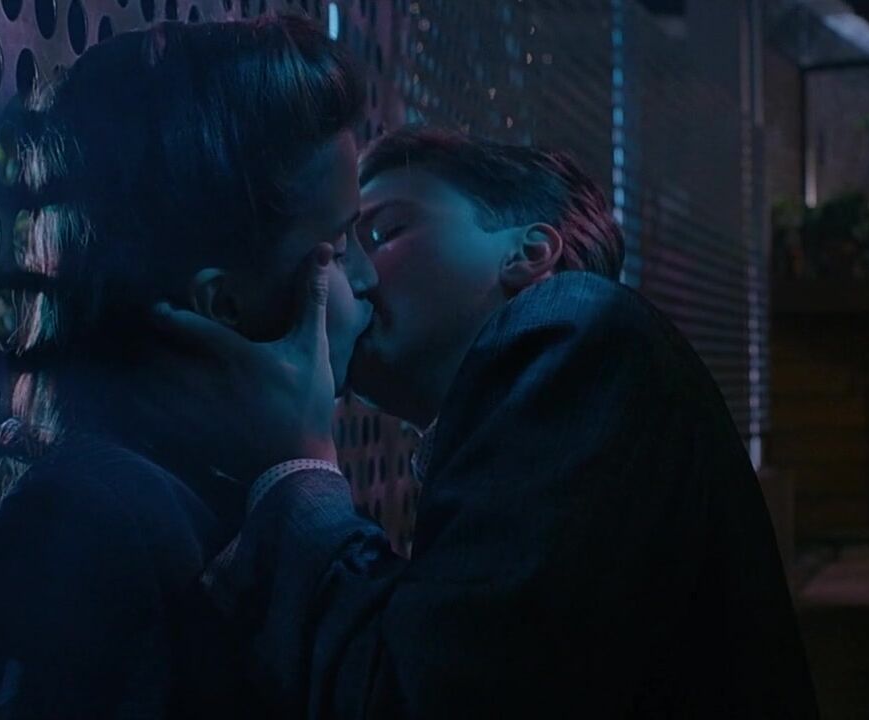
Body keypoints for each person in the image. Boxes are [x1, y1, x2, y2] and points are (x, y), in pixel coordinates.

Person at [140, 126, 819, 718]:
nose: (355, 279)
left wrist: (300, 460)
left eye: (384, 232)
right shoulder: (541, 421)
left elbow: (422, 699)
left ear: (530, 253)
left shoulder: (576, 326)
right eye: (342, 248)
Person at [0, 15, 376, 718]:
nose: (368, 278)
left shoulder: (219, 489)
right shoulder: (92, 526)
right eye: (339, 249)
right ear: (223, 305)